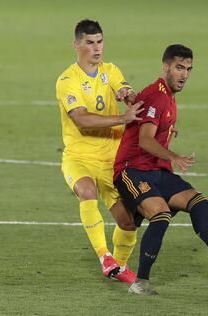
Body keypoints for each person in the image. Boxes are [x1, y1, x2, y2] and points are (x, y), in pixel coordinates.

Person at [113, 44, 208, 295]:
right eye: (179, 67)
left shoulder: (168, 97)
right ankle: (140, 282)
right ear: (165, 66)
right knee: (160, 215)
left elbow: (151, 128)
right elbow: (145, 140)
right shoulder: (157, 95)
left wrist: (166, 131)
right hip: (132, 170)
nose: (184, 74)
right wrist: (174, 156)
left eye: (188, 69)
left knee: (197, 201)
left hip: (157, 171)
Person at [56, 19, 143, 284]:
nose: (97, 48)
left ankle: (119, 266)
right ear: (77, 45)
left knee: (128, 222)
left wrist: (127, 94)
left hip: (111, 160)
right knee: (86, 191)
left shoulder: (110, 70)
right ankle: (104, 256)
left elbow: (123, 88)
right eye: (90, 43)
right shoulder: (67, 80)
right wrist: (121, 119)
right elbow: (82, 120)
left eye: (100, 42)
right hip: (79, 157)